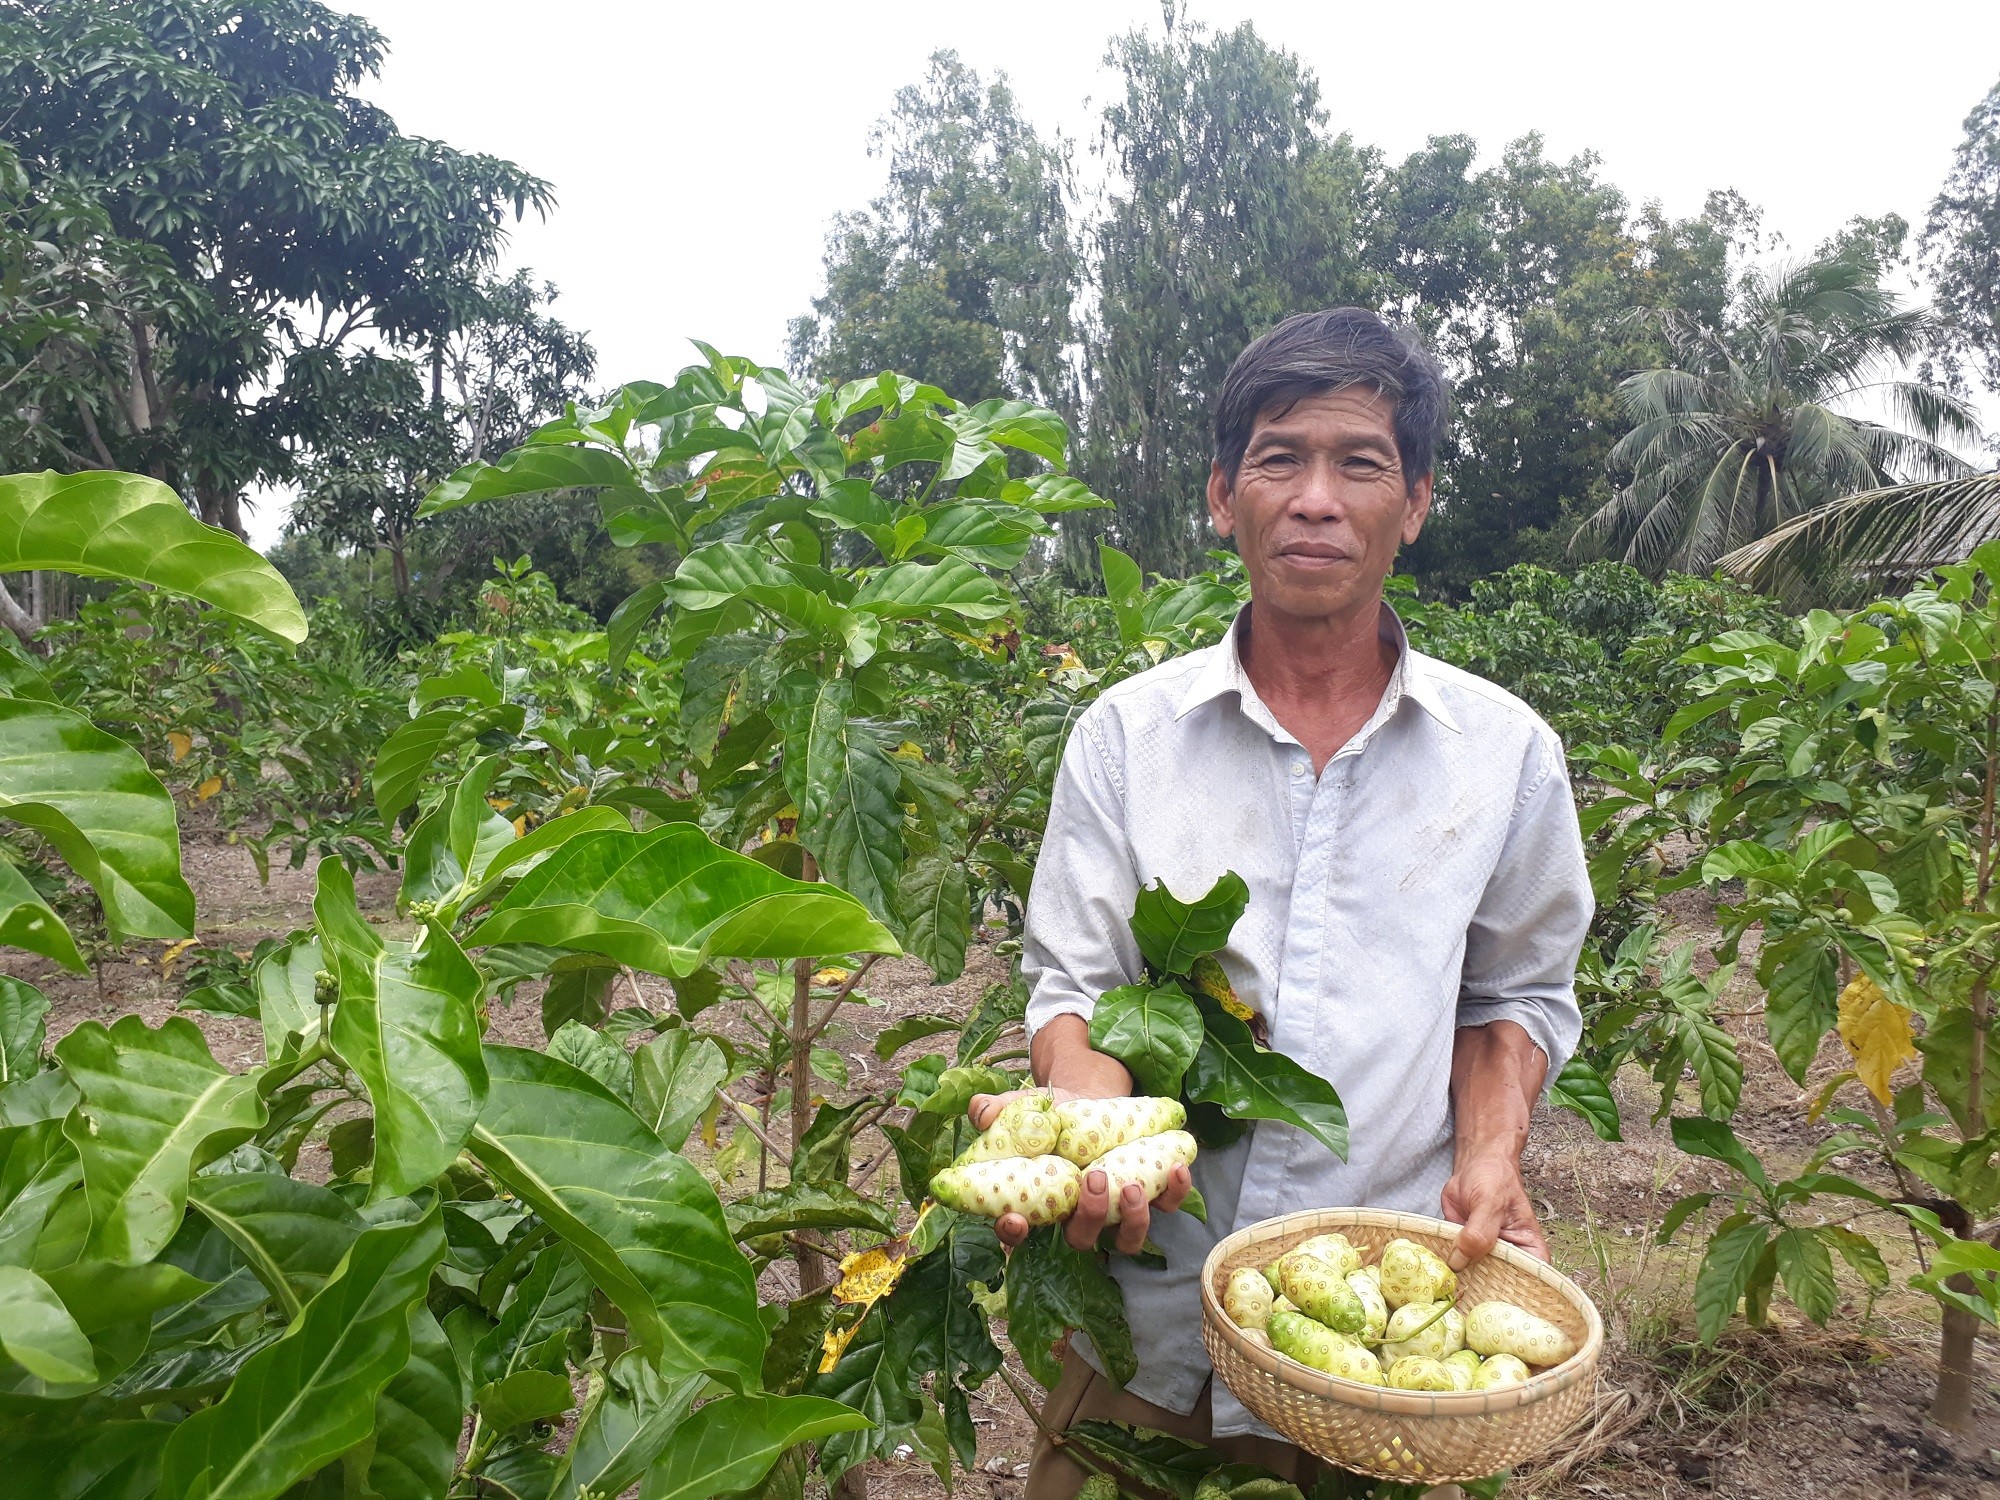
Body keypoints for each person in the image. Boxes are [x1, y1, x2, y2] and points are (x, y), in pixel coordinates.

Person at [970, 307, 1594, 1499]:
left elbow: (1512, 993)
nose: (1315, 498)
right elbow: (1080, 985)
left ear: (1411, 504)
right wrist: (1086, 1128)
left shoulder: (1502, 753)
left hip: (1378, 1335)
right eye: (1278, 458)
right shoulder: (1124, 739)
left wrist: (1490, 1152)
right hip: (1140, 1315)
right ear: (1222, 495)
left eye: (1358, 462)